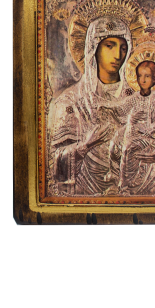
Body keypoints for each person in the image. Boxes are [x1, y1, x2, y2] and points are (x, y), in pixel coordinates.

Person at [49, 14, 137, 196]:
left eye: (123, 48)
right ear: (93, 48)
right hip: (84, 191)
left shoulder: (137, 97)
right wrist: (86, 145)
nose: (118, 55)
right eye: (109, 46)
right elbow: (55, 163)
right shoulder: (71, 101)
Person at [107, 61, 155, 196]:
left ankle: (124, 184)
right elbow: (120, 110)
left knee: (128, 148)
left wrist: (150, 129)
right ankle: (114, 174)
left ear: (154, 79)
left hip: (150, 137)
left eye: (147, 76)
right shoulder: (135, 97)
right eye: (140, 76)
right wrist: (106, 107)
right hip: (132, 132)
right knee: (114, 144)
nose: (143, 80)